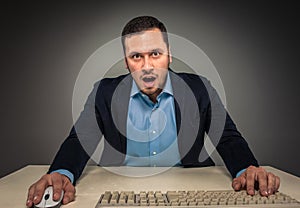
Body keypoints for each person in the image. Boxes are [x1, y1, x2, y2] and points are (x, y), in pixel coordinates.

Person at [26, 16, 280, 207]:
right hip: (119, 191)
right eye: (136, 57)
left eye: (155, 54)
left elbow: (227, 137)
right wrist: (60, 174)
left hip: (192, 189)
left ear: (169, 56)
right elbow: (79, 140)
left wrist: (247, 168)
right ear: (126, 63)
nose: (147, 66)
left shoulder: (199, 88)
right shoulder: (104, 92)